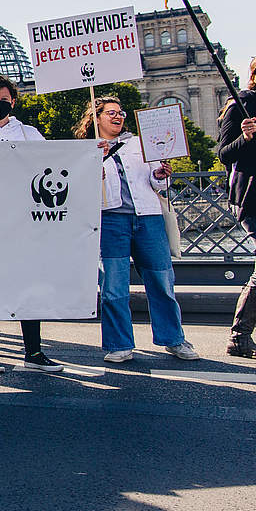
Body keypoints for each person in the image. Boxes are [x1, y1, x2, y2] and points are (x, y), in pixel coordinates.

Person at [78, 95, 198, 363]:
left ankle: (174, 339)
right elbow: (79, 188)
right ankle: (119, 344)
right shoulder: (86, 149)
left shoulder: (140, 143)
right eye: (110, 113)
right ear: (96, 118)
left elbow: (158, 185)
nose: (117, 116)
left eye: (119, 112)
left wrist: (160, 176)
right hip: (110, 220)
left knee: (162, 281)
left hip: (148, 218)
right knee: (114, 287)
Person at [0, 75, 62, 372]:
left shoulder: (30, 133)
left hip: (24, 221)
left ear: (13, 102)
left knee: (28, 285)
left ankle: (33, 352)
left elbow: (53, 164)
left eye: (4, 100)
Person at [217, 51, 256, 358]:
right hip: (253, 197)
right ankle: (239, 336)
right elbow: (223, 153)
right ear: (254, 74)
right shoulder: (241, 104)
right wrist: (245, 138)